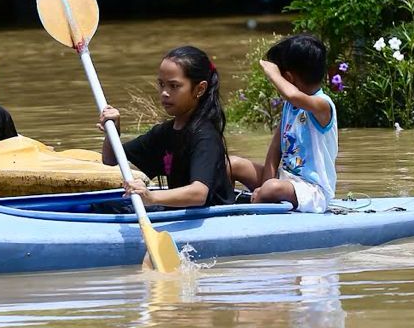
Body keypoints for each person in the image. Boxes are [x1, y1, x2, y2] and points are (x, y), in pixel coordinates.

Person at [98, 45, 233, 208]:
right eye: (161, 84)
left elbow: (199, 194)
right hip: (179, 212)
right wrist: (112, 131)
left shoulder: (205, 135)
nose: (164, 93)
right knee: (101, 206)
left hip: (212, 216)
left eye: (174, 86)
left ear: (200, 89)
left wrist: (151, 197)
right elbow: (111, 159)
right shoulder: (164, 133)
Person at [229, 34, 338, 213]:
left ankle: (252, 219)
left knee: (272, 188)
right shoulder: (290, 106)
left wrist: (272, 73)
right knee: (232, 164)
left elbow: (293, 95)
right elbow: (275, 149)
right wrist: (263, 186)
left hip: (312, 191)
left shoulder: (322, 105)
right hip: (282, 180)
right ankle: (222, 211)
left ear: (288, 78)